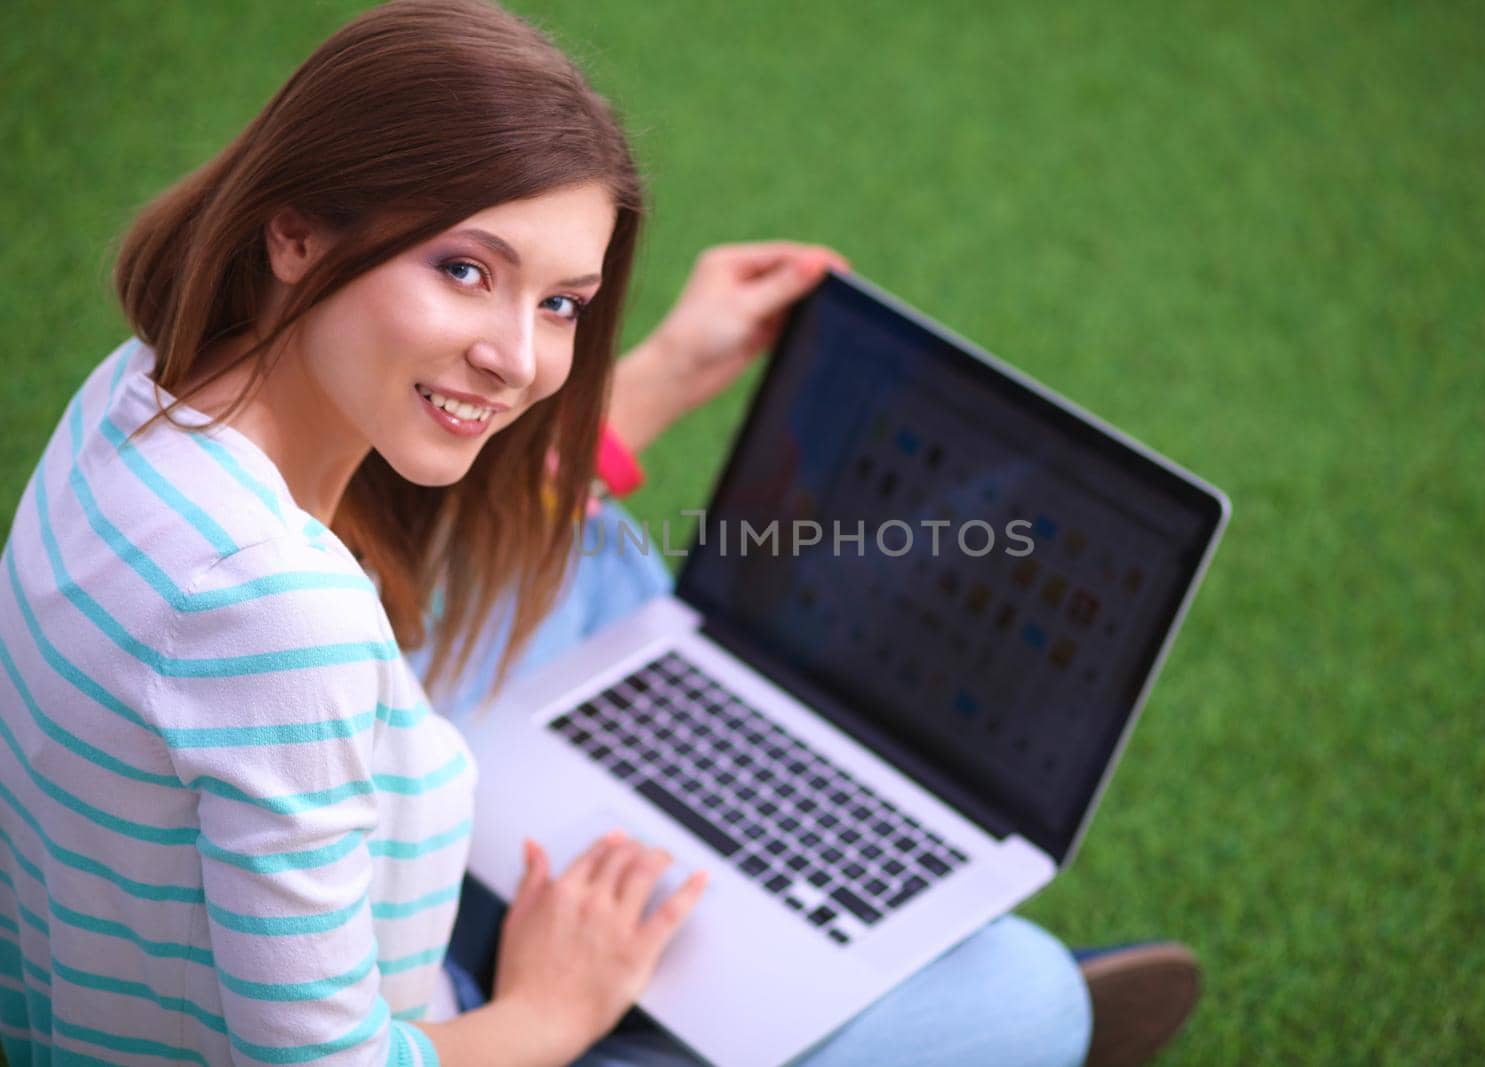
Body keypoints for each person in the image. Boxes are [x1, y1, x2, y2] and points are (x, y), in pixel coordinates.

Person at [0, 1, 1197, 1064]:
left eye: (559, 300)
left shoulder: (147, 387)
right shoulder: (276, 615)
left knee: (594, 557)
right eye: (467, 269)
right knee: (1027, 1001)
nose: (521, 357)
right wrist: (549, 1009)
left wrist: (669, 370)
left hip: (227, 935)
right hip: (421, 1007)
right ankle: (729, 1009)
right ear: (296, 230)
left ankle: (737, 967)